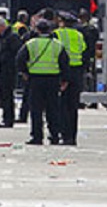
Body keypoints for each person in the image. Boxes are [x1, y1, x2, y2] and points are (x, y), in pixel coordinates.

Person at [16, 18, 70, 146]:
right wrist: (65, 79)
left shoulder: (31, 44)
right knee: (53, 109)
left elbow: (19, 59)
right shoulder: (57, 45)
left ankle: (37, 136)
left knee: (36, 110)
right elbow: (65, 63)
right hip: (53, 80)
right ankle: (55, 136)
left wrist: (24, 73)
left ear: (37, 30)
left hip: (35, 80)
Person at [54, 11, 87, 145]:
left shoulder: (57, 33)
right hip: (77, 72)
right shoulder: (79, 35)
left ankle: (64, 134)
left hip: (63, 71)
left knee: (62, 106)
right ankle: (72, 136)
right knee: (73, 106)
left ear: (62, 22)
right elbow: (84, 50)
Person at [0, 16, 23, 127]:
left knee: (7, 95)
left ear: (1, 26)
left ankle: (8, 119)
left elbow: (14, 53)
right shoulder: (3, 36)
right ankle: (6, 117)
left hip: (8, 70)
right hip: (2, 70)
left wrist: (1, 58)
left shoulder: (12, 37)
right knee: (3, 95)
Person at [77, 8, 99, 94]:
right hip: (90, 54)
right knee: (91, 74)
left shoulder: (78, 29)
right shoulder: (92, 29)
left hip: (82, 55)